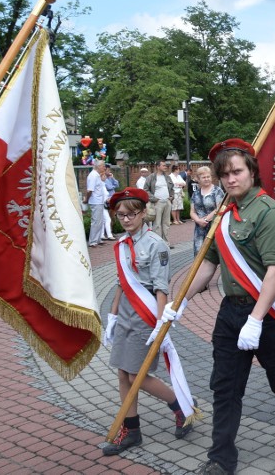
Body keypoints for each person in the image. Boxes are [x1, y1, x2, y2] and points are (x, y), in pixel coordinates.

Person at [160, 139, 275, 474]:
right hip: (231, 311)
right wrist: (180, 301)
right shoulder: (223, 213)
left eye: (236, 171)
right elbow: (208, 264)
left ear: (252, 171)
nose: (230, 179)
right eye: (224, 174)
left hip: (268, 313)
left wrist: (255, 319)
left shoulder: (269, 212)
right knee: (224, 385)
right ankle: (221, 458)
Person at [102, 188, 198, 456]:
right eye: (121, 215)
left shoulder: (156, 244)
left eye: (131, 214)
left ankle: (181, 405)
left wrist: (160, 325)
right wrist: (111, 316)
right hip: (125, 312)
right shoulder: (121, 244)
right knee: (123, 372)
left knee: (139, 375)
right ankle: (131, 430)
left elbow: (160, 289)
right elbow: (122, 283)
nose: (126, 219)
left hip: (146, 313)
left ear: (144, 213)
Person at [190, 165, 225, 256]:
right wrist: (198, 220)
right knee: (199, 254)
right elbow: (192, 211)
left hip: (214, 226)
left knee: (217, 254)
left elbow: (219, 208)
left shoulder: (217, 191)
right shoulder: (196, 193)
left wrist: (206, 220)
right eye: (203, 177)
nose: (206, 179)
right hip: (199, 229)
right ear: (198, 179)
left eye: (208, 177)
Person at [145, 161, 174, 244]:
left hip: (167, 202)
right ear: (158, 166)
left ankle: (166, 243)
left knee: (166, 224)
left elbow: (172, 188)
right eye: (163, 165)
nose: (166, 167)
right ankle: (157, 243)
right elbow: (145, 189)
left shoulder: (167, 177)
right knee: (157, 224)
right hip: (157, 203)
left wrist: (171, 197)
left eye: (166, 165)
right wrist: (154, 198)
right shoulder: (151, 177)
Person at [84, 159, 107, 247]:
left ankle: (97, 239)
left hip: (99, 201)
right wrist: (86, 199)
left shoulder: (97, 175)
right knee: (96, 221)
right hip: (95, 201)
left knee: (99, 221)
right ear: (98, 166)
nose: (104, 168)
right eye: (103, 166)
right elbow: (90, 190)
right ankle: (92, 241)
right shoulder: (93, 175)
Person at [102, 164, 119, 241]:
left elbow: (117, 184)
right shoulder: (103, 179)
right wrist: (113, 186)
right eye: (108, 170)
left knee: (112, 217)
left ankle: (110, 232)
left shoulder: (109, 178)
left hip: (112, 199)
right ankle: (107, 233)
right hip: (107, 200)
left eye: (109, 170)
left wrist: (112, 178)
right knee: (109, 217)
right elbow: (109, 187)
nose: (109, 171)